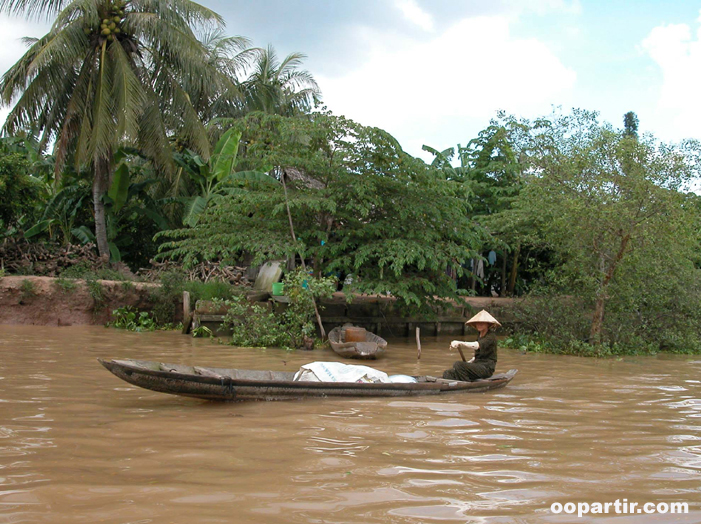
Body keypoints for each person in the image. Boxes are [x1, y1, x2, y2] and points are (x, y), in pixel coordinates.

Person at [442, 310, 500, 381]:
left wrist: (460, 343)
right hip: (477, 365)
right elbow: (477, 356)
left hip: (486, 368)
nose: (479, 324)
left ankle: (465, 384)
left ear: (488, 324)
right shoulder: (480, 335)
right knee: (448, 373)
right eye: (477, 323)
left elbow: (476, 345)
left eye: (482, 323)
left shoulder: (491, 336)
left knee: (458, 365)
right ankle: (457, 384)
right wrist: (468, 363)